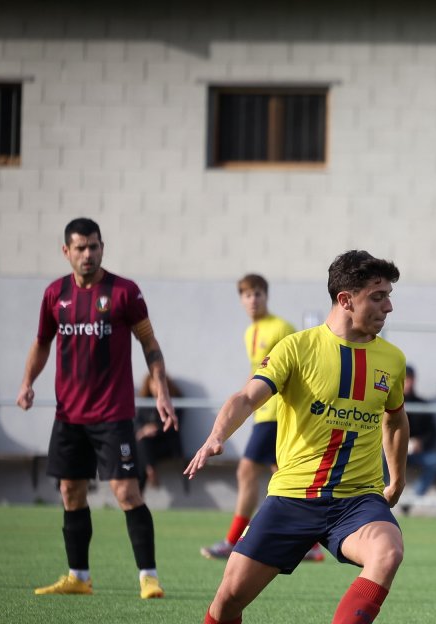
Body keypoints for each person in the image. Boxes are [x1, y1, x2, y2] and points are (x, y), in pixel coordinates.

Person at [174, 250, 409, 624]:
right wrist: (217, 435)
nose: (388, 307)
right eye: (378, 297)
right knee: (228, 599)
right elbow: (246, 396)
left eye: (389, 296)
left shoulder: (392, 361)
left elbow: (395, 419)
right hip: (291, 499)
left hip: (356, 500)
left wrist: (396, 479)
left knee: (388, 552)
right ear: (346, 299)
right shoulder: (296, 349)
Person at [17, 217, 177, 600]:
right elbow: (42, 343)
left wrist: (161, 391)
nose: (88, 254)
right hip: (68, 416)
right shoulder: (55, 294)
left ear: (102, 247)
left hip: (113, 415)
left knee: (126, 492)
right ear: (66, 252)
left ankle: (148, 577)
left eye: (94, 246)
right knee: (70, 491)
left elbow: (149, 344)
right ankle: (79, 576)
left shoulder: (124, 292)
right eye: (80, 248)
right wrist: (27, 383)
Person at [199, 274, 325, 561]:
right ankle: (313, 542)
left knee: (246, 471)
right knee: (285, 476)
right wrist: (243, 402)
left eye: (258, 293)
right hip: (262, 414)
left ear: (266, 296)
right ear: (241, 300)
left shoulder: (282, 328)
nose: (253, 299)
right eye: (247, 295)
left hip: (277, 414)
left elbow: (297, 370)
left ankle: (233, 541)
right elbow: (259, 373)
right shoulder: (249, 332)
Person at [135, 375, 185, 492]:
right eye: (153, 384)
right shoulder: (144, 403)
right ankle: (150, 469)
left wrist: (155, 429)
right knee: (142, 445)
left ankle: (139, 491)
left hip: (166, 444)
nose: (156, 388)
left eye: (159, 384)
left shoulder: (174, 402)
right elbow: (136, 423)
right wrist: (143, 430)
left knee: (142, 451)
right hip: (147, 446)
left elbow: (174, 426)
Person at [403, 365, 436, 497]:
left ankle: (415, 496)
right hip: (390, 453)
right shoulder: (387, 403)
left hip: (415, 452)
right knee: (382, 460)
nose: (407, 383)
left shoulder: (422, 405)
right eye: (404, 379)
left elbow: (432, 433)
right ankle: (382, 496)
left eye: (410, 379)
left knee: (435, 460)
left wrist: (420, 443)